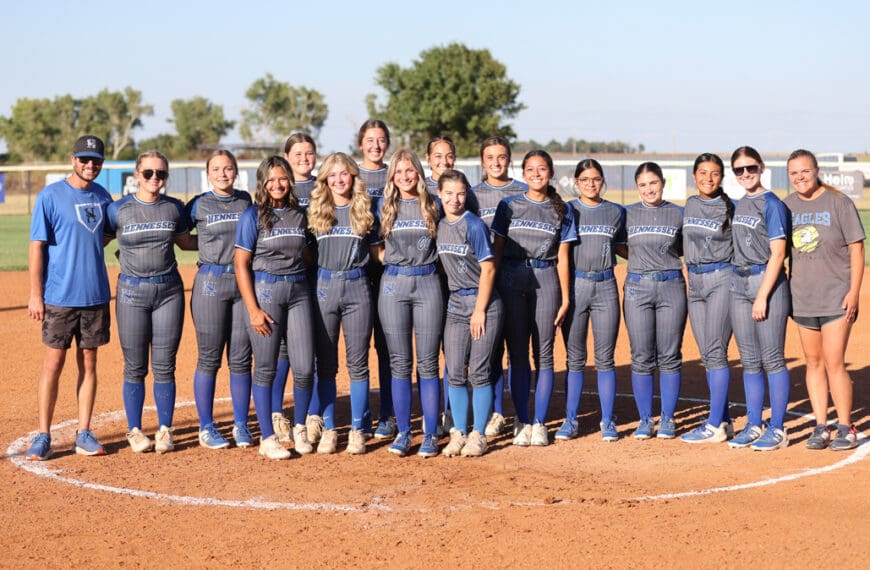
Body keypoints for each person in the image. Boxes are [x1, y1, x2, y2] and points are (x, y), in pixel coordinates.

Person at [25, 135, 113, 460]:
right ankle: (44, 434)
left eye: (96, 161)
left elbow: (105, 236)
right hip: (59, 295)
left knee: (89, 362)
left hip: (95, 294)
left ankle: (84, 432)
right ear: (73, 159)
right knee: (53, 363)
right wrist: (36, 294)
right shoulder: (50, 196)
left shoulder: (104, 197)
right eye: (84, 159)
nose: (90, 165)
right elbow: (37, 246)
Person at [105, 150, 198, 454]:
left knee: (165, 366)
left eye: (160, 174)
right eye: (148, 173)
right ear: (137, 176)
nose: (154, 179)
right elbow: (96, 242)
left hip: (169, 292)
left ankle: (165, 429)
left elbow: (186, 243)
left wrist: (224, 238)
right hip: (131, 293)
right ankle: (134, 430)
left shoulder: (173, 208)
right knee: (134, 366)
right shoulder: (118, 210)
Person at [491, 150, 575, 447]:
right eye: (530, 169)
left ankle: (539, 422)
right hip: (512, 278)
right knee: (516, 354)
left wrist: (565, 298)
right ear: (523, 173)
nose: (536, 173)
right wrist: (493, 288)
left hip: (546, 279)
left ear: (550, 173)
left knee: (545, 354)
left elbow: (563, 258)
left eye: (542, 169)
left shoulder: (562, 209)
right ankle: (522, 420)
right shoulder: (508, 205)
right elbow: (497, 251)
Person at [234, 156, 316, 460]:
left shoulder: (299, 214)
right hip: (266, 291)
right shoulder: (252, 216)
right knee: (266, 367)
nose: (277, 184)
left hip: (298, 292)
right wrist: (253, 309)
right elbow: (241, 264)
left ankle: (299, 429)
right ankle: (268, 437)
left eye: (282, 178)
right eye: (271, 180)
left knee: (305, 367)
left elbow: (308, 256)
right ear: (262, 183)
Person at [784, 149, 865, 451]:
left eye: (805, 171)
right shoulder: (786, 206)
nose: (800, 177)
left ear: (816, 171)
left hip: (836, 297)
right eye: (794, 173)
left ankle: (846, 426)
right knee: (813, 362)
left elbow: (857, 249)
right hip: (803, 297)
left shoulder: (838, 202)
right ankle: (821, 425)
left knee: (834, 362)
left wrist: (853, 292)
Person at [307, 153, 380, 454]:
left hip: (358, 286)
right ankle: (329, 428)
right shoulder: (315, 210)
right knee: (325, 364)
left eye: (344, 174)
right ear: (324, 179)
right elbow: (307, 256)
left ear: (353, 176)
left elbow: (378, 255)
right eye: (332, 175)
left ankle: (357, 429)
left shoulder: (364, 209)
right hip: (325, 286)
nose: (339, 180)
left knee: (358, 363)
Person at [372, 148, 444, 457]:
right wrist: (395, 262)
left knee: (427, 363)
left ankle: (429, 434)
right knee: (399, 363)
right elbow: (375, 247)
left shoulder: (434, 204)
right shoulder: (383, 206)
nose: (405, 176)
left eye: (410, 170)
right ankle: (403, 432)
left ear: (418, 172)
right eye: (399, 172)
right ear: (392, 177)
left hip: (428, 281)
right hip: (393, 284)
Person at [185, 150, 253, 449]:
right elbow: (180, 237)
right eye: (216, 169)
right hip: (211, 282)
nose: (223, 174)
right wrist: (206, 248)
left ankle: (241, 425)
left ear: (235, 172)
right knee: (209, 357)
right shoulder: (199, 204)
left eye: (228, 169)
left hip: (242, 283)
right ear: (208, 173)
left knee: (240, 358)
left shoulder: (246, 200)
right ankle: (207, 426)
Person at [727, 146, 792, 451]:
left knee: (772, 358)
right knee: (750, 361)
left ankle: (777, 428)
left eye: (750, 168)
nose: (745, 174)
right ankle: (754, 424)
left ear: (762, 167)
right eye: (739, 170)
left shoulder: (772, 204)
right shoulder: (740, 203)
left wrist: (762, 296)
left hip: (766, 283)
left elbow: (778, 254)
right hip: (739, 283)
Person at [436, 169, 503, 457]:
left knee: (478, 371)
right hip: (455, 304)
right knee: (454, 372)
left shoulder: (474, 225)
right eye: (448, 193)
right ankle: (459, 432)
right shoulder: (438, 225)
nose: (455, 199)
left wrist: (479, 310)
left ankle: (478, 433)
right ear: (439, 194)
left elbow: (488, 269)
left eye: (460, 193)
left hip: (482, 303)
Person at [560, 159, 625, 441]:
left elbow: (624, 245)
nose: (590, 183)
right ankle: (570, 420)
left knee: (605, 358)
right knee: (575, 359)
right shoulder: (567, 210)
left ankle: (608, 420)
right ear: (576, 182)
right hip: (576, 285)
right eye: (584, 179)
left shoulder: (615, 212)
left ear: (603, 181)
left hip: (606, 285)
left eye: (596, 178)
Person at [622, 162, 687, 440]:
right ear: (637, 187)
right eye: (643, 185)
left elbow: (685, 247)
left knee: (670, 355)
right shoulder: (626, 214)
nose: (649, 189)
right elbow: (619, 245)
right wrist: (641, 262)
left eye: (653, 183)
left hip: (671, 284)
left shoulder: (678, 213)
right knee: (641, 355)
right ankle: (646, 419)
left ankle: (669, 418)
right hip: (638, 286)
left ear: (662, 183)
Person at [470, 136, 529, 438]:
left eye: (502, 156)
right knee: (489, 352)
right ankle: (496, 412)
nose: (496, 162)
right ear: (482, 162)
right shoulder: (472, 195)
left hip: (517, 277)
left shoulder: (523, 191)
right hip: (484, 281)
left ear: (509, 159)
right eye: (490, 157)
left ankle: (522, 414)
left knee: (518, 350)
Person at [680, 154, 737, 444]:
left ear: (721, 177)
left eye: (714, 173)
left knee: (715, 352)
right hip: (695, 282)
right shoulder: (689, 204)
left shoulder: (731, 208)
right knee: (708, 355)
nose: (708, 178)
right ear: (694, 175)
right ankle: (724, 420)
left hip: (720, 279)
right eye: (703, 173)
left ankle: (714, 424)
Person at [278, 132, 323, 445]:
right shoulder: (280, 186)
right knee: (282, 347)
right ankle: (277, 414)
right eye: (298, 154)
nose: (304, 158)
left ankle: (313, 414)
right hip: (286, 276)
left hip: (319, 274)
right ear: (287, 156)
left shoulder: (324, 186)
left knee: (316, 346)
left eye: (309, 153)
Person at [357, 119, 394, 438]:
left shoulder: (395, 174)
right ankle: (358, 414)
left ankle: (388, 412)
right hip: (356, 268)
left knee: (386, 345)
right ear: (360, 144)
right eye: (370, 140)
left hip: (388, 268)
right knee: (355, 346)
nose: (376, 145)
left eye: (381, 139)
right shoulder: (351, 175)